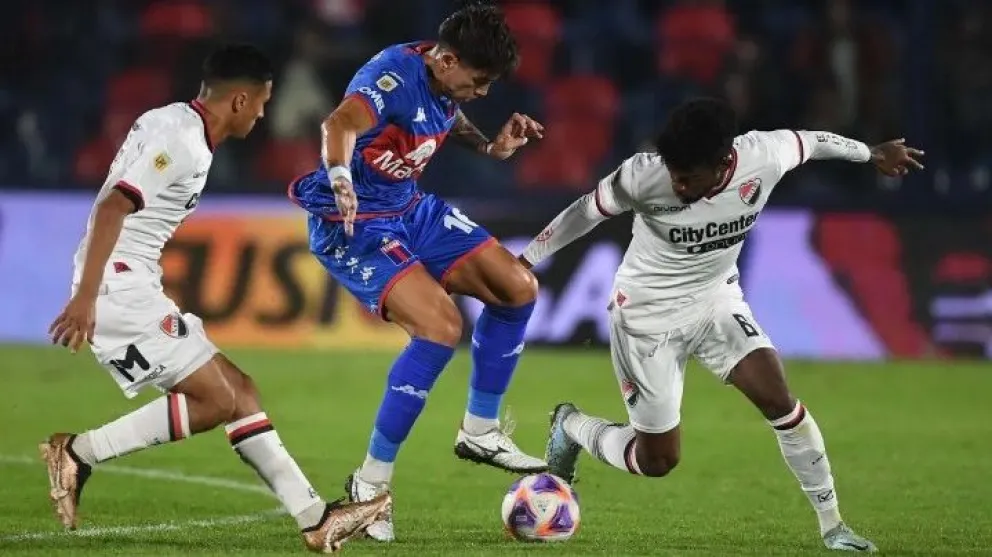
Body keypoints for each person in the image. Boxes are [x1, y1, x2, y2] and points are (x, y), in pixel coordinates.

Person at [524, 98, 924, 553]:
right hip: (645, 317)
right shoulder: (642, 174)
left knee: (779, 399)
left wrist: (871, 153)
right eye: (673, 173)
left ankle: (834, 528)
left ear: (722, 164)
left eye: (687, 177)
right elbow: (585, 211)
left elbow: (814, 142)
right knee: (658, 461)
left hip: (715, 300)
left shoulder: (763, 156)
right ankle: (572, 426)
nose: (677, 184)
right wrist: (526, 259)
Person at [42, 43, 389, 553]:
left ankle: (317, 521)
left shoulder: (174, 122)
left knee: (240, 392)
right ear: (240, 100)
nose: (263, 115)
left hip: (132, 280)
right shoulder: (182, 141)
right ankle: (78, 452)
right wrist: (88, 297)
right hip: (119, 287)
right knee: (218, 400)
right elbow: (113, 207)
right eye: (263, 103)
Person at [287, 1, 547, 542]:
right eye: (478, 81)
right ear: (447, 61)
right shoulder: (392, 77)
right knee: (440, 327)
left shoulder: (444, 81)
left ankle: (480, 429)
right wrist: (341, 178)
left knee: (517, 288)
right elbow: (339, 123)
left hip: (409, 207)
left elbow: (447, 114)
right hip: (353, 221)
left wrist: (490, 147)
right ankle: (370, 486)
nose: (483, 92)